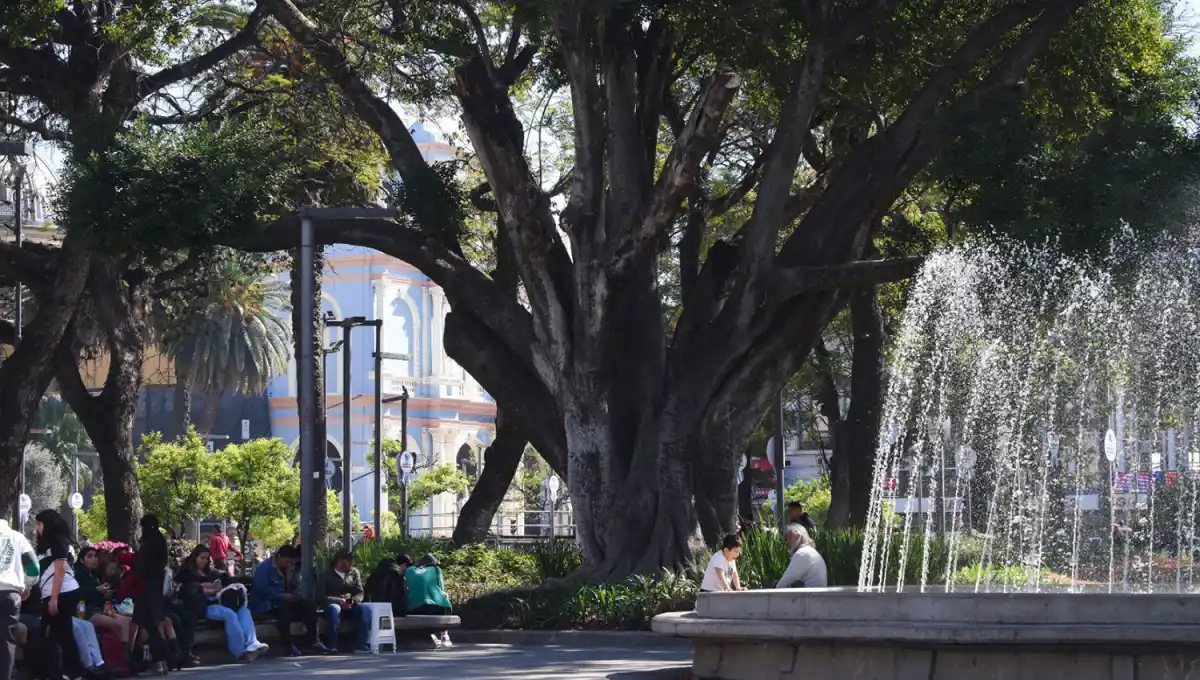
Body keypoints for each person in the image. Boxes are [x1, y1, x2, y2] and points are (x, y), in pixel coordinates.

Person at [178, 545, 266, 662]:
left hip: (221, 601)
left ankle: (252, 643)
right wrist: (212, 589)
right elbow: (192, 590)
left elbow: (225, 580)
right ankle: (239, 652)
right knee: (229, 614)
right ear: (195, 557)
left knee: (243, 610)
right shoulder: (186, 573)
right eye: (201, 558)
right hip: (204, 605)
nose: (204, 561)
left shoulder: (211, 572)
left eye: (206, 558)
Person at [35, 510, 86, 679]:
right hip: (53, 593)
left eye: (39, 523)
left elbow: (60, 568)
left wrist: (54, 598)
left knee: (61, 633)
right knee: (55, 634)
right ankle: (60, 672)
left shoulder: (58, 542)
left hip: (62, 593)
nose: (37, 528)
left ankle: (72, 671)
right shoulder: (51, 544)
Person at [250, 545, 325, 657]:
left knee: (309, 606)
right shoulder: (264, 568)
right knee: (283, 610)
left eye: (291, 561)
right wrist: (282, 596)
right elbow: (261, 591)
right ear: (279, 557)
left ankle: (314, 642)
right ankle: (288, 645)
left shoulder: (290, 567)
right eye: (287, 561)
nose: (289, 564)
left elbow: (294, 587)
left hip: (287, 599)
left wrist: (292, 587)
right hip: (267, 602)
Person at [132, 514, 173, 674]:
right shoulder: (161, 541)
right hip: (157, 588)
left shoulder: (147, 544)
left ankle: (156, 662)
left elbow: (140, 568)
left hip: (146, 589)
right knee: (156, 625)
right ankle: (163, 661)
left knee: (149, 626)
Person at [0, 517, 38, 680]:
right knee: (6, 641)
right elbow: (34, 567)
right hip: (10, 593)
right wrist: (27, 586)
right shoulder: (18, 537)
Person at [76, 547, 133, 648]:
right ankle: (126, 654)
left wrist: (105, 595)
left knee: (129, 621)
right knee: (122, 623)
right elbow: (78, 594)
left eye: (95, 557)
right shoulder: (78, 575)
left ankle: (128, 651)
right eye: (90, 557)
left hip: (101, 609)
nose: (94, 559)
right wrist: (96, 590)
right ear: (81, 560)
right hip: (87, 612)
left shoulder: (95, 575)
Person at [318, 550, 368, 653]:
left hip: (350, 604)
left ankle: (360, 645)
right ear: (340, 561)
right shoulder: (326, 574)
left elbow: (360, 592)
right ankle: (332, 645)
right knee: (334, 609)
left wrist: (352, 601)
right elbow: (319, 596)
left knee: (365, 609)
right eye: (349, 560)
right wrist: (339, 601)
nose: (351, 563)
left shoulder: (354, 573)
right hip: (332, 604)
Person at [405, 555, 452, 648]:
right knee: (445, 597)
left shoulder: (409, 570)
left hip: (414, 609)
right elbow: (441, 588)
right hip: (436, 608)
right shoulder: (436, 569)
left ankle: (430, 636)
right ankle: (445, 636)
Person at [776, 524, 828, 589]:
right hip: (816, 596)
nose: (787, 542)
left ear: (799, 536)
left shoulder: (801, 554)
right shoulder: (811, 552)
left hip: (809, 597)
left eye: (790, 537)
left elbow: (782, 585)